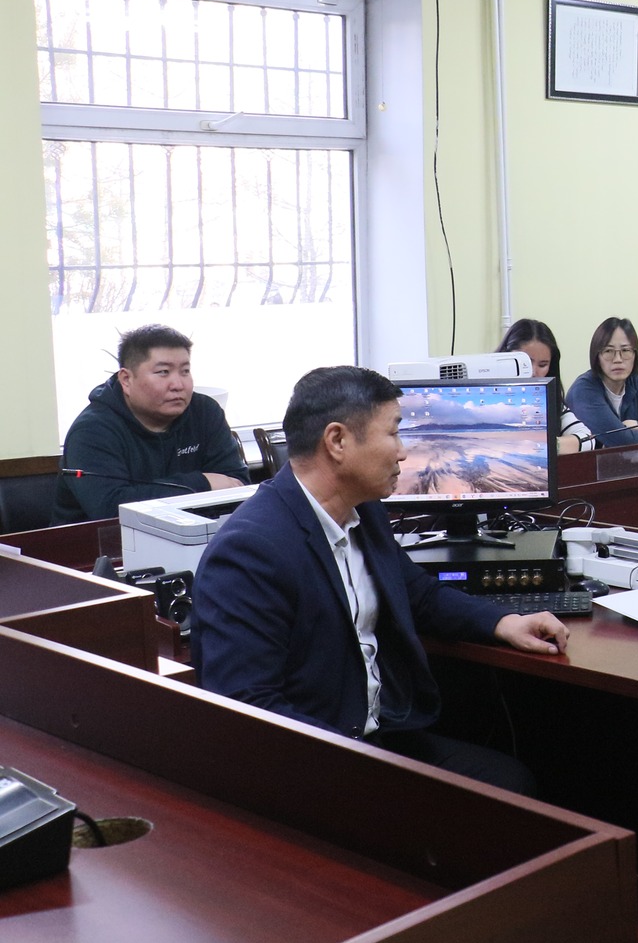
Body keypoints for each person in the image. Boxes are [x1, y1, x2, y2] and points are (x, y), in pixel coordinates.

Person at [192, 367, 567, 794]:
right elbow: (247, 706)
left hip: (383, 734)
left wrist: (503, 622)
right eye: (393, 433)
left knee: (514, 780)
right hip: (319, 762)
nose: (403, 452)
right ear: (337, 441)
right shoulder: (251, 551)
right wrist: (358, 765)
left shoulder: (363, 510)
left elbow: (417, 592)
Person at [55, 323, 249, 522]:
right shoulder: (92, 431)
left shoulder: (205, 412)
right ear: (126, 379)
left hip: (198, 533)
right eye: (163, 372)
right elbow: (112, 508)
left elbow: (238, 485)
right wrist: (202, 483)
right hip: (99, 539)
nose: (178, 384)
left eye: (185, 371)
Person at [497, 318, 594, 454]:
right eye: (526, 363)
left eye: (542, 365)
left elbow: (588, 439)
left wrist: (545, 445)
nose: (533, 372)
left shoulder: (550, 402)